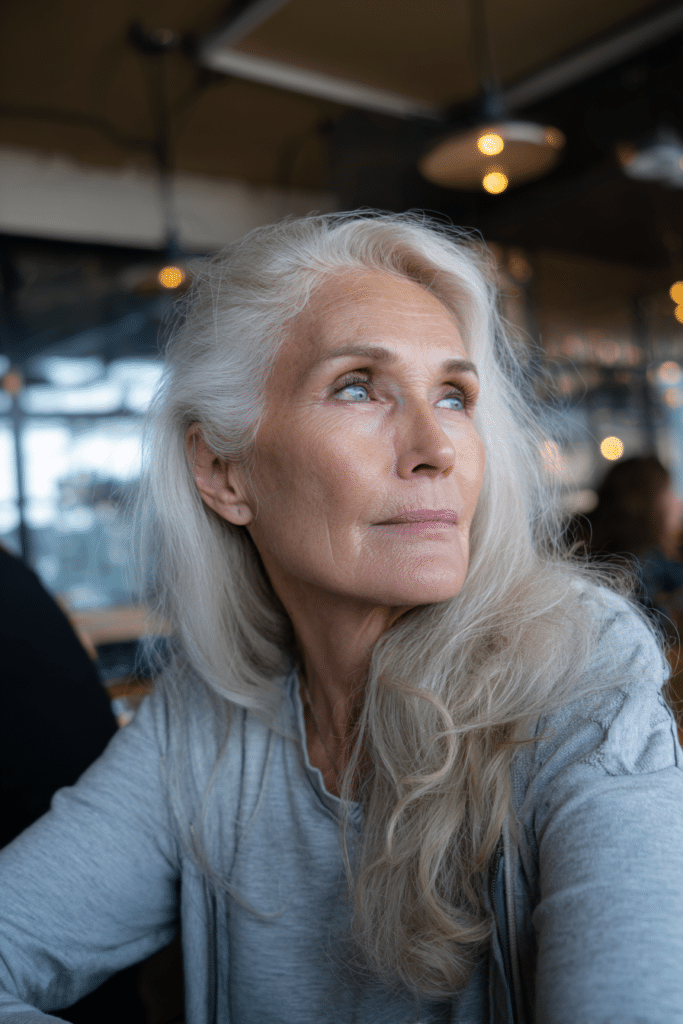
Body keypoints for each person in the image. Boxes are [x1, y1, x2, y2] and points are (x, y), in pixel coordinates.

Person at [0, 212, 682, 1024]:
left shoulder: (581, 677)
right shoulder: (204, 719)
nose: (436, 447)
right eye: (357, 386)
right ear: (222, 471)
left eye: (454, 396)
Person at [583, 455, 683, 629]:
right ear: (649, 504)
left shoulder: (635, 555)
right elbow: (647, 624)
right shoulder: (632, 565)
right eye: (669, 493)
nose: (678, 504)